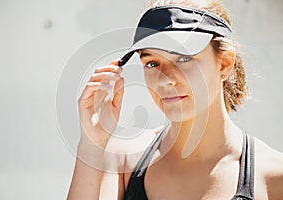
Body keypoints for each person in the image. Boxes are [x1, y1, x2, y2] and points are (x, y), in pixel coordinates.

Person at [67, 0, 283, 199]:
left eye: (184, 58)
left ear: (224, 64)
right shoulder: (124, 162)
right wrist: (92, 144)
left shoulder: (273, 176)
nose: (165, 79)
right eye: (152, 63)